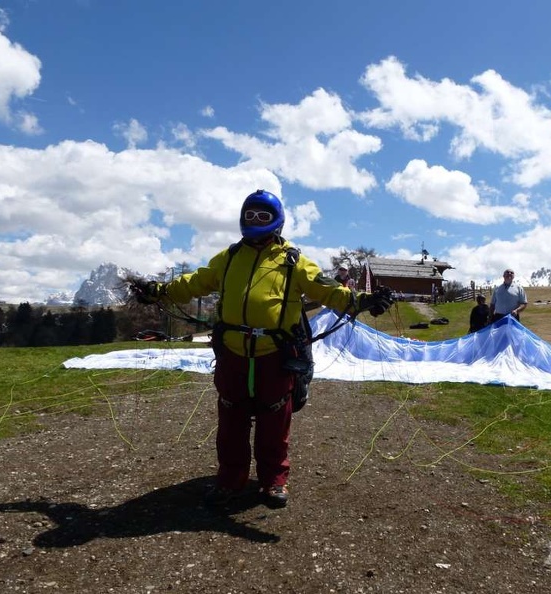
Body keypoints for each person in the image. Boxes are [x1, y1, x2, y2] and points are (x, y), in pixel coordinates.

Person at [131, 190, 393, 509]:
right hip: (232, 355)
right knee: (231, 422)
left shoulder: (293, 261)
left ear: (277, 221)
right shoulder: (227, 258)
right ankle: (230, 481)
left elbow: (326, 289)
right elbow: (194, 282)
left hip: (275, 355)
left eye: (262, 216)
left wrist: (361, 301)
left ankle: (273, 482)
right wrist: (159, 291)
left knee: (274, 423)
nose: (254, 221)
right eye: (250, 215)